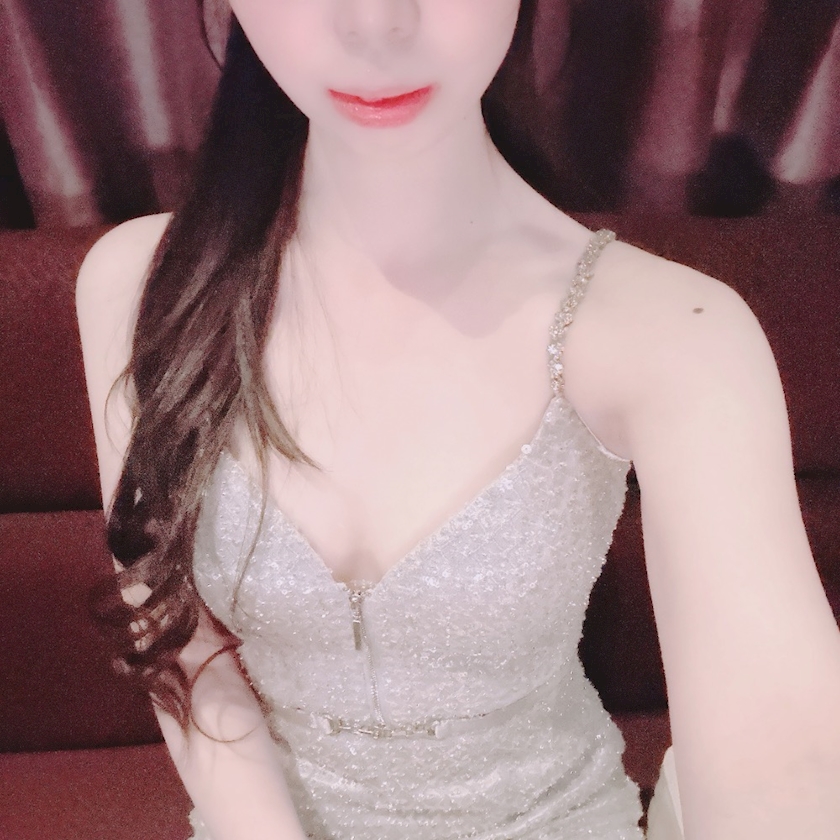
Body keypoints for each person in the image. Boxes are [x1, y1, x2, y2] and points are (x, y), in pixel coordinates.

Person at [75, 2, 840, 838]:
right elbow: (180, 641)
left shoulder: (673, 334)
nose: (376, 23)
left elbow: (781, 764)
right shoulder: (139, 287)